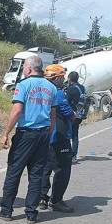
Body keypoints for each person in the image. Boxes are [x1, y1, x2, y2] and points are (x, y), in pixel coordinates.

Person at [0, 56, 57, 224]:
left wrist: (6, 133)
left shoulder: (23, 85)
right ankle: (31, 212)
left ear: (29, 69)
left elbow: (17, 110)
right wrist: (49, 135)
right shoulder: (51, 87)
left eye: (24, 68)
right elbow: (53, 116)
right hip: (43, 134)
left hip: (26, 134)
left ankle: (6, 210)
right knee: (36, 174)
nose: (23, 70)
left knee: (14, 171)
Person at [40, 64, 75, 213]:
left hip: (42, 135)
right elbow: (68, 112)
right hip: (58, 136)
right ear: (58, 77)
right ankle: (56, 200)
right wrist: (74, 116)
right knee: (63, 169)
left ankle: (42, 198)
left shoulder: (40, 90)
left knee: (45, 168)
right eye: (63, 77)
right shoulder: (58, 93)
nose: (64, 80)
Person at [65, 71, 87, 163]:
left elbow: (66, 102)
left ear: (69, 79)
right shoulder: (82, 87)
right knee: (75, 135)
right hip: (80, 114)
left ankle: (68, 154)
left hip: (72, 114)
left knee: (68, 135)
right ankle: (74, 155)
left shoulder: (71, 89)